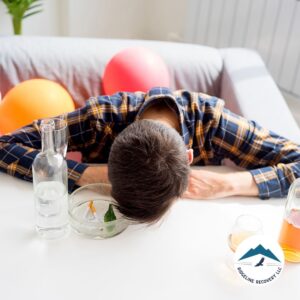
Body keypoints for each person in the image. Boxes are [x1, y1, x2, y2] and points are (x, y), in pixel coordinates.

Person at [0, 87, 299, 223]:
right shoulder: (100, 120)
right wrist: (86, 174)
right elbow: (4, 145)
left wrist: (228, 185)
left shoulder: (215, 123)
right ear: (111, 148)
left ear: (189, 157)